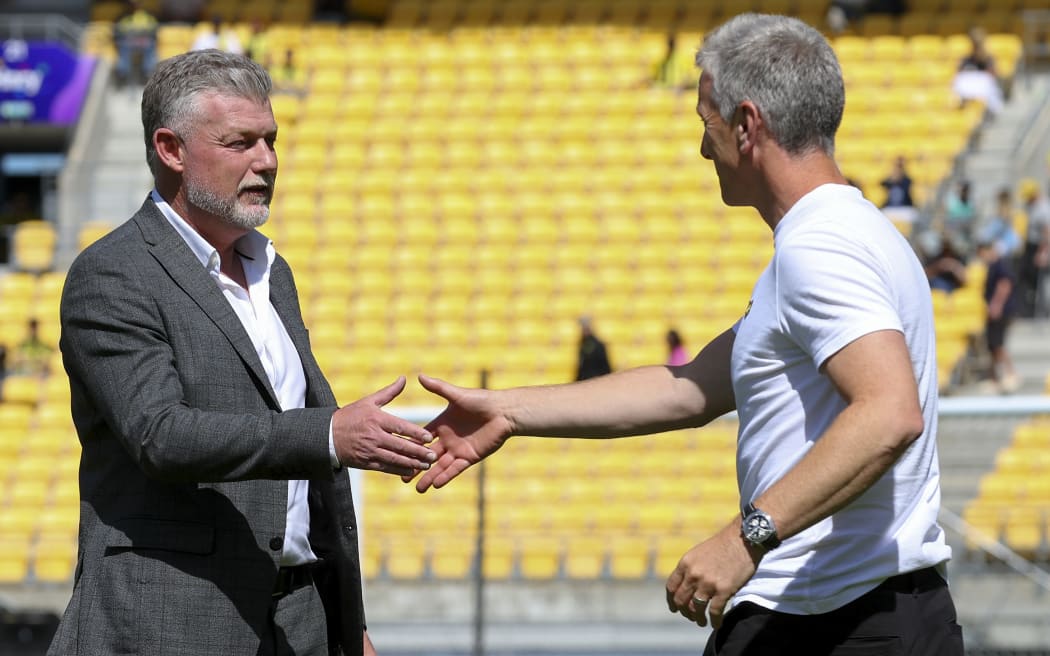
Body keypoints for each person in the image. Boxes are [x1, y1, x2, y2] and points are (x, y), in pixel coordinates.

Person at [409, 14, 962, 656]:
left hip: (834, 623)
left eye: (708, 126)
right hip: (862, 614)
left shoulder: (823, 247)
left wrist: (746, 537)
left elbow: (890, 413)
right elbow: (691, 387)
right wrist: (508, 412)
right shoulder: (853, 235)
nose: (704, 150)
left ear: (748, 126)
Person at [50, 49, 436, 656]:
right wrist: (329, 435)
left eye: (271, 140)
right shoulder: (113, 275)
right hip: (172, 621)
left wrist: (345, 619)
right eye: (240, 143)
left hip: (301, 619)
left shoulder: (272, 271)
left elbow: (308, 494)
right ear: (171, 149)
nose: (267, 161)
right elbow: (161, 435)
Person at [976, 239, 1020, 393]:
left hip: (1000, 311)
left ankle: (1010, 374)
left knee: (998, 344)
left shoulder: (1000, 265)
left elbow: (1004, 285)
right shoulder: (992, 266)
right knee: (992, 345)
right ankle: (994, 377)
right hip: (995, 311)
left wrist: (996, 305)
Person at [1017, 178, 1050, 318]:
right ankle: (1028, 310)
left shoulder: (1043, 209)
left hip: (1039, 248)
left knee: (1041, 281)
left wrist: (1043, 252)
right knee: (1026, 279)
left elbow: (1047, 232)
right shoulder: (1033, 207)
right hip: (1031, 247)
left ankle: (1042, 313)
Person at [112, 0, 159, 88]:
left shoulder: (148, 16)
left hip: (144, 43)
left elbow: (154, 32)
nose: (135, 5)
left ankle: (148, 72)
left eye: (137, 3)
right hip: (127, 43)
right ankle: (123, 73)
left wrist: (143, 35)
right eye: (132, 3)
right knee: (124, 48)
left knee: (150, 45)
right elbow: (117, 33)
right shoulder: (122, 16)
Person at [574, 316, 612, 380]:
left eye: (585, 327)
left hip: (595, 379)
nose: (583, 330)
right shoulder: (582, 344)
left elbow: (604, 366)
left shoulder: (598, 344)